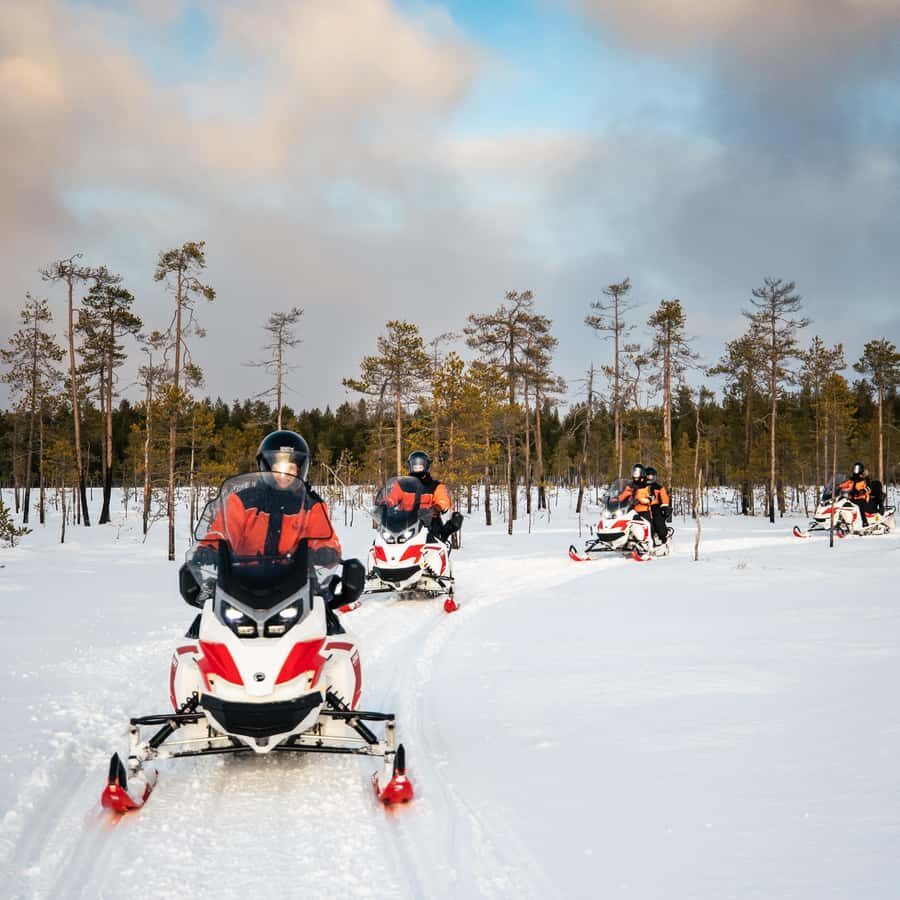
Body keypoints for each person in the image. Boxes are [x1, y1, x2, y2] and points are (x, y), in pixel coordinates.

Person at [404, 450, 463, 543]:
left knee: (433, 541)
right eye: (415, 465)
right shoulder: (403, 486)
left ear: (426, 465)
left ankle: (434, 554)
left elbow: (443, 501)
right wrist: (385, 506)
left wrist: (435, 508)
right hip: (405, 522)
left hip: (428, 522)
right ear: (410, 466)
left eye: (420, 465)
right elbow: (391, 498)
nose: (417, 468)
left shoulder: (436, 486)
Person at [618, 463, 653, 530]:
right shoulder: (630, 485)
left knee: (648, 527)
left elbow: (652, 497)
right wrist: (616, 499)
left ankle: (651, 539)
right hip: (631, 511)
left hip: (643, 511)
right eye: (634, 471)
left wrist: (646, 500)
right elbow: (624, 495)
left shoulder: (647, 486)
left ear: (642, 473)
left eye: (637, 472)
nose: (635, 474)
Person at [645, 466, 671, 546]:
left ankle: (663, 538)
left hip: (655, 507)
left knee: (658, 521)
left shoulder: (658, 488)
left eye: (651, 476)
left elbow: (664, 498)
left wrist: (665, 506)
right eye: (648, 476)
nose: (650, 478)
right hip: (644, 507)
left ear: (654, 477)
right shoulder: (641, 487)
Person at [839, 461, 871, 528]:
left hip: (861, 498)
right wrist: (837, 487)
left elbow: (869, 488)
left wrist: (862, 491)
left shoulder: (864, 480)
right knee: (842, 503)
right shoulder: (852, 479)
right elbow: (844, 485)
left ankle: (864, 522)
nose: (856, 470)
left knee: (860, 506)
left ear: (861, 469)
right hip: (852, 498)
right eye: (855, 468)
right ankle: (842, 521)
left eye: (857, 468)